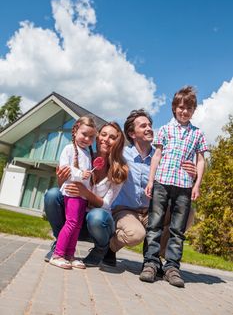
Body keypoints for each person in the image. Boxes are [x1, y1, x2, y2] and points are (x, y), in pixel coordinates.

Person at [103, 109, 197, 269]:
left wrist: (192, 175)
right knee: (135, 235)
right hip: (125, 210)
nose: (149, 128)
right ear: (132, 133)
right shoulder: (121, 155)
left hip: (152, 211)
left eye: (150, 125)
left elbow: (178, 179)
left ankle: (153, 255)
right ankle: (109, 247)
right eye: (143, 126)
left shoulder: (162, 156)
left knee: (188, 213)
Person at [140, 86, 209, 287]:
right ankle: (151, 263)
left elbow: (201, 161)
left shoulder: (198, 134)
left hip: (184, 187)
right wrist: (151, 181)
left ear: (194, 110)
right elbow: (157, 156)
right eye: (181, 107)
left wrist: (197, 184)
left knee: (178, 229)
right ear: (174, 108)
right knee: (155, 224)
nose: (184, 111)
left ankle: (171, 267)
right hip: (162, 182)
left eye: (189, 108)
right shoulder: (164, 130)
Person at [44, 122, 128, 267]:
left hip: (95, 225)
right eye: (103, 134)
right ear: (97, 137)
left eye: (112, 137)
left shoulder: (119, 170)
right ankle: (60, 247)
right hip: (75, 213)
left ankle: (100, 250)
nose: (106, 139)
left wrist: (85, 193)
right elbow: (68, 188)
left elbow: (106, 204)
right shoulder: (86, 157)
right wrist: (61, 178)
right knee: (52, 194)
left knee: (97, 216)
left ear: (118, 142)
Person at [49, 116, 97, 269]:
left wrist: (89, 177)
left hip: (82, 196)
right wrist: (80, 174)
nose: (87, 138)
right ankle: (57, 254)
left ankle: (70, 254)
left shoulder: (88, 153)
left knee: (76, 226)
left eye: (91, 137)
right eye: (84, 134)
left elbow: (86, 177)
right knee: (71, 223)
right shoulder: (68, 149)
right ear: (75, 130)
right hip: (71, 193)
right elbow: (65, 168)